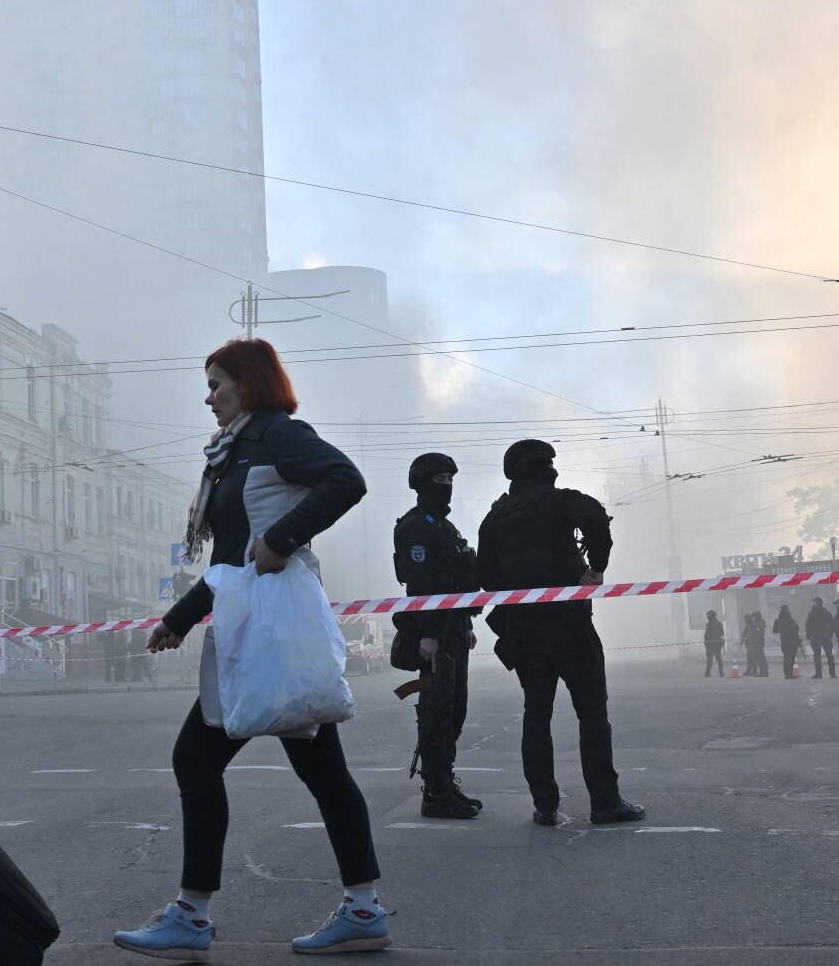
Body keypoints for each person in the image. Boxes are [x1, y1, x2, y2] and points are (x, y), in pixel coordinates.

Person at [114, 339, 388, 957]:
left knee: (203, 759)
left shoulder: (277, 436)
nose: (208, 397)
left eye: (218, 384)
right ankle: (362, 909)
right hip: (248, 623)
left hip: (273, 628)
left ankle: (194, 916)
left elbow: (347, 479)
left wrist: (285, 537)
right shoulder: (236, 448)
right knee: (313, 771)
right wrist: (180, 618)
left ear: (250, 385)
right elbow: (230, 555)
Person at [476, 439, 645, 828]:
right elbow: (597, 520)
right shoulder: (562, 501)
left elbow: (484, 578)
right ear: (547, 468)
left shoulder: (495, 518)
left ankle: (545, 806)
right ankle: (605, 802)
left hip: (523, 632)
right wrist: (596, 568)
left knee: (536, 713)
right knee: (592, 713)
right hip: (570, 627)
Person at [391, 452, 483, 819]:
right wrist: (428, 634)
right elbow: (423, 583)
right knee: (436, 710)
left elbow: (456, 577)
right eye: (439, 479)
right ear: (421, 484)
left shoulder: (444, 526)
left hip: (454, 627)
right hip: (434, 632)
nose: (446, 486)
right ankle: (436, 791)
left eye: (450, 479)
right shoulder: (415, 526)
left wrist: (468, 624)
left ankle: (445, 782)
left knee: (454, 710)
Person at [805, 597, 836, 679]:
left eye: (813, 602)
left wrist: (809, 635)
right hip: (825, 637)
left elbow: (808, 625)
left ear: (817, 603)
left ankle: (819, 674)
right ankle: (832, 674)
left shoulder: (812, 613)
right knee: (829, 655)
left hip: (816, 637)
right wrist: (830, 634)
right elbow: (832, 624)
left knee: (817, 656)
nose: (812, 604)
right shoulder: (826, 612)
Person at [774, 605, 801, 679]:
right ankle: (789, 674)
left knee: (786, 659)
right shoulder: (789, 619)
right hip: (791, 642)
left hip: (784, 642)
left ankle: (786, 674)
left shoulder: (778, 620)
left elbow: (775, 630)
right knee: (790, 659)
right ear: (787, 610)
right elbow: (796, 629)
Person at [703, 610, 725, 677]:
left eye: (709, 616)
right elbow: (706, 635)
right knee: (711, 659)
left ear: (713, 616)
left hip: (716, 644)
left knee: (717, 659)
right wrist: (706, 641)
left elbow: (722, 633)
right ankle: (708, 672)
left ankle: (719, 672)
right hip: (710, 644)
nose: (708, 618)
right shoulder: (709, 624)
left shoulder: (717, 624)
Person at [749, 611, 770, 677]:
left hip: (758, 643)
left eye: (754, 617)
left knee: (761, 658)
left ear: (756, 617)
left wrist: (755, 643)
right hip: (758, 643)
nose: (753, 618)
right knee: (760, 658)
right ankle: (763, 672)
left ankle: (763, 672)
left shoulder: (759, 624)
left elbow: (758, 634)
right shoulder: (758, 623)